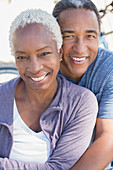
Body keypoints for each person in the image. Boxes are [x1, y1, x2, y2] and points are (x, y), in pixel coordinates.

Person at [0, 8, 98, 170]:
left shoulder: (80, 103)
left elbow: (59, 168)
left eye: (44, 53)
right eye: (22, 57)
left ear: (59, 52)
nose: (35, 67)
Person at [52, 0, 113, 169]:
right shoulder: (44, 68)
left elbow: (107, 138)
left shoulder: (109, 69)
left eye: (90, 36)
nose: (80, 48)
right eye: (69, 36)